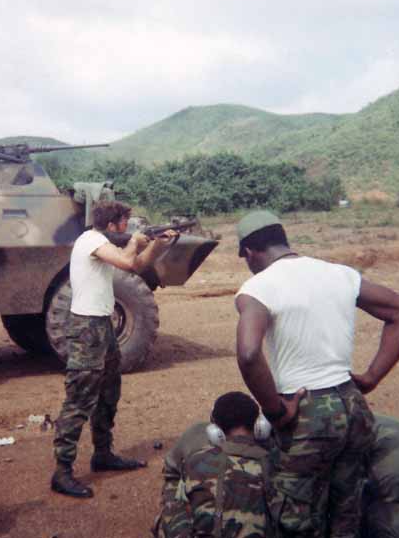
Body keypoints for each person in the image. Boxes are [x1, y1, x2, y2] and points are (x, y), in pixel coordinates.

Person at [234, 210, 399, 537]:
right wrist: (373, 376)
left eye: (246, 258)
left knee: (294, 516)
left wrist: (275, 410)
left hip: (306, 413)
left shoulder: (258, 287)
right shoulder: (340, 274)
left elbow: (249, 354)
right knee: (346, 509)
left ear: (250, 252)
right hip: (352, 407)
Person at [52, 200, 177, 498]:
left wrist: (158, 245)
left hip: (101, 327)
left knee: (109, 389)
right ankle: (62, 472)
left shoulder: (102, 241)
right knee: (80, 397)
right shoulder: (91, 240)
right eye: (125, 222)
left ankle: (103, 453)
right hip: (86, 328)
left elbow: (139, 265)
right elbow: (127, 263)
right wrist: (135, 242)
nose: (128, 226)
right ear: (113, 224)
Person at [153, 391, 273, 538]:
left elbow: (175, 507)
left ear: (215, 430)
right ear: (259, 427)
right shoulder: (275, 463)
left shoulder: (195, 461)